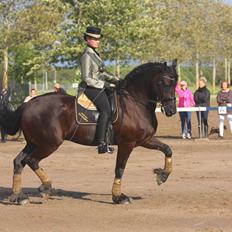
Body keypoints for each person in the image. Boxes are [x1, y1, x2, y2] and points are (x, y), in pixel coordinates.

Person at [80, 26, 119, 154]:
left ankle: (110, 137)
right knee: (106, 110)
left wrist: (117, 80)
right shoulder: (86, 55)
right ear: (87, 39)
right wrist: (104, 85)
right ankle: (101, 143)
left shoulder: (96, 54)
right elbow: (86, 78)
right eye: (94, 39)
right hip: (90, 88)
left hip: (97, 85)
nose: (97, 41)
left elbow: (102, 73)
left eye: (98, 39)